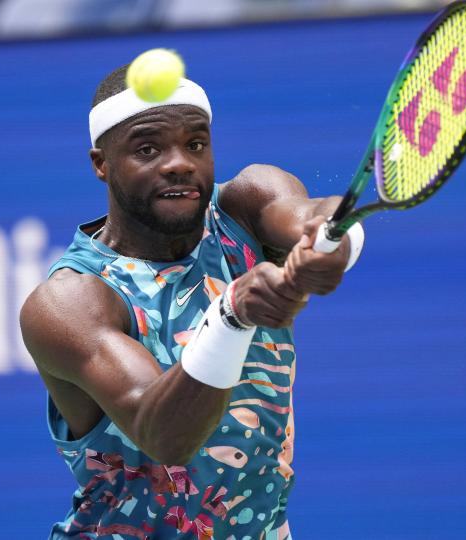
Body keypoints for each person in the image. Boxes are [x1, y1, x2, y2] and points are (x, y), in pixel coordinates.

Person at [20, 64, 361, 540]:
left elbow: (314, 216)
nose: (179, 162)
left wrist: (331, 241)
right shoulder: (71, 301)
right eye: (147, 149)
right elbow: (165, 436)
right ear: (101, 163)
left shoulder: (247, 207)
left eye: (195, 144)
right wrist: (233, 313)